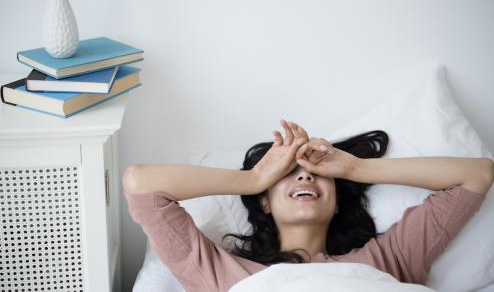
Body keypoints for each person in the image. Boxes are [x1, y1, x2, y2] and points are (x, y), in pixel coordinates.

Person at [123, 119, 493, 292]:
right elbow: (140, 183)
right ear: (264, 203)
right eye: (289, 173)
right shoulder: (219, 273)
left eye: (316, 171)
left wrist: (354, 167)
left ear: (336, 202)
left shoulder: (390, 258)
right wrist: (254, 179)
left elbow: (477, 174)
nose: (304, 177)